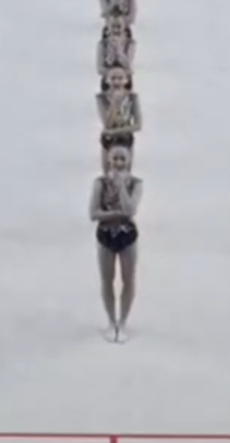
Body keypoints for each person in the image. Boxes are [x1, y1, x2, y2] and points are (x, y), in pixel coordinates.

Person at [90, 144, 142, 342]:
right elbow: (93, 213)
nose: (119, 163)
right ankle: (111, 321)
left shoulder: (136, 183)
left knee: (128, 279)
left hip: (127, 236)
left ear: (129, 161)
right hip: (105, 235)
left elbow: (130, 210)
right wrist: (116, 214)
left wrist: (121, 187)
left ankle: (123, 321)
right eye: (115, 158)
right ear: (109, 160)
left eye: (123, 159)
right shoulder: (100, 183)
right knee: (107, 279)